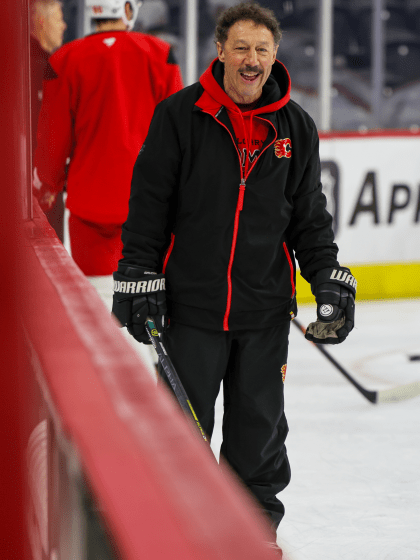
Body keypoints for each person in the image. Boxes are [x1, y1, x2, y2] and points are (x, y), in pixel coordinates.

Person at [112, 2, 356, 555]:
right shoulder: (179, 115)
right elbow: (149, 205)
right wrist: (137, 274)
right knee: (180, 439)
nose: (252, 60)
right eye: (241, 48)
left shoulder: (295, 126)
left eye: (262, 50)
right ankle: (174, 538)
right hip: (190, 312)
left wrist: (328, 279)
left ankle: (249, 539)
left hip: (264, 314)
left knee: (259, 440)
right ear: (219, 51)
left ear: (275, 57)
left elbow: (308, 218)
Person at [33, 0, 183, 278]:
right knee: (145, 302)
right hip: (148, 205)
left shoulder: (63, 60)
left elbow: (53, 138)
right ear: (126, 9)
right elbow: (178, 133)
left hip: (88, 205)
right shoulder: (161, 54)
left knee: (94, 304)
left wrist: (47, 184)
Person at [30, 0, 67, 242]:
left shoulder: (41, 65)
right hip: (39, 190)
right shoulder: (37, 68)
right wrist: (45, 180)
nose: (64, 26)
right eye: (58, 19)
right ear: (42, 22)